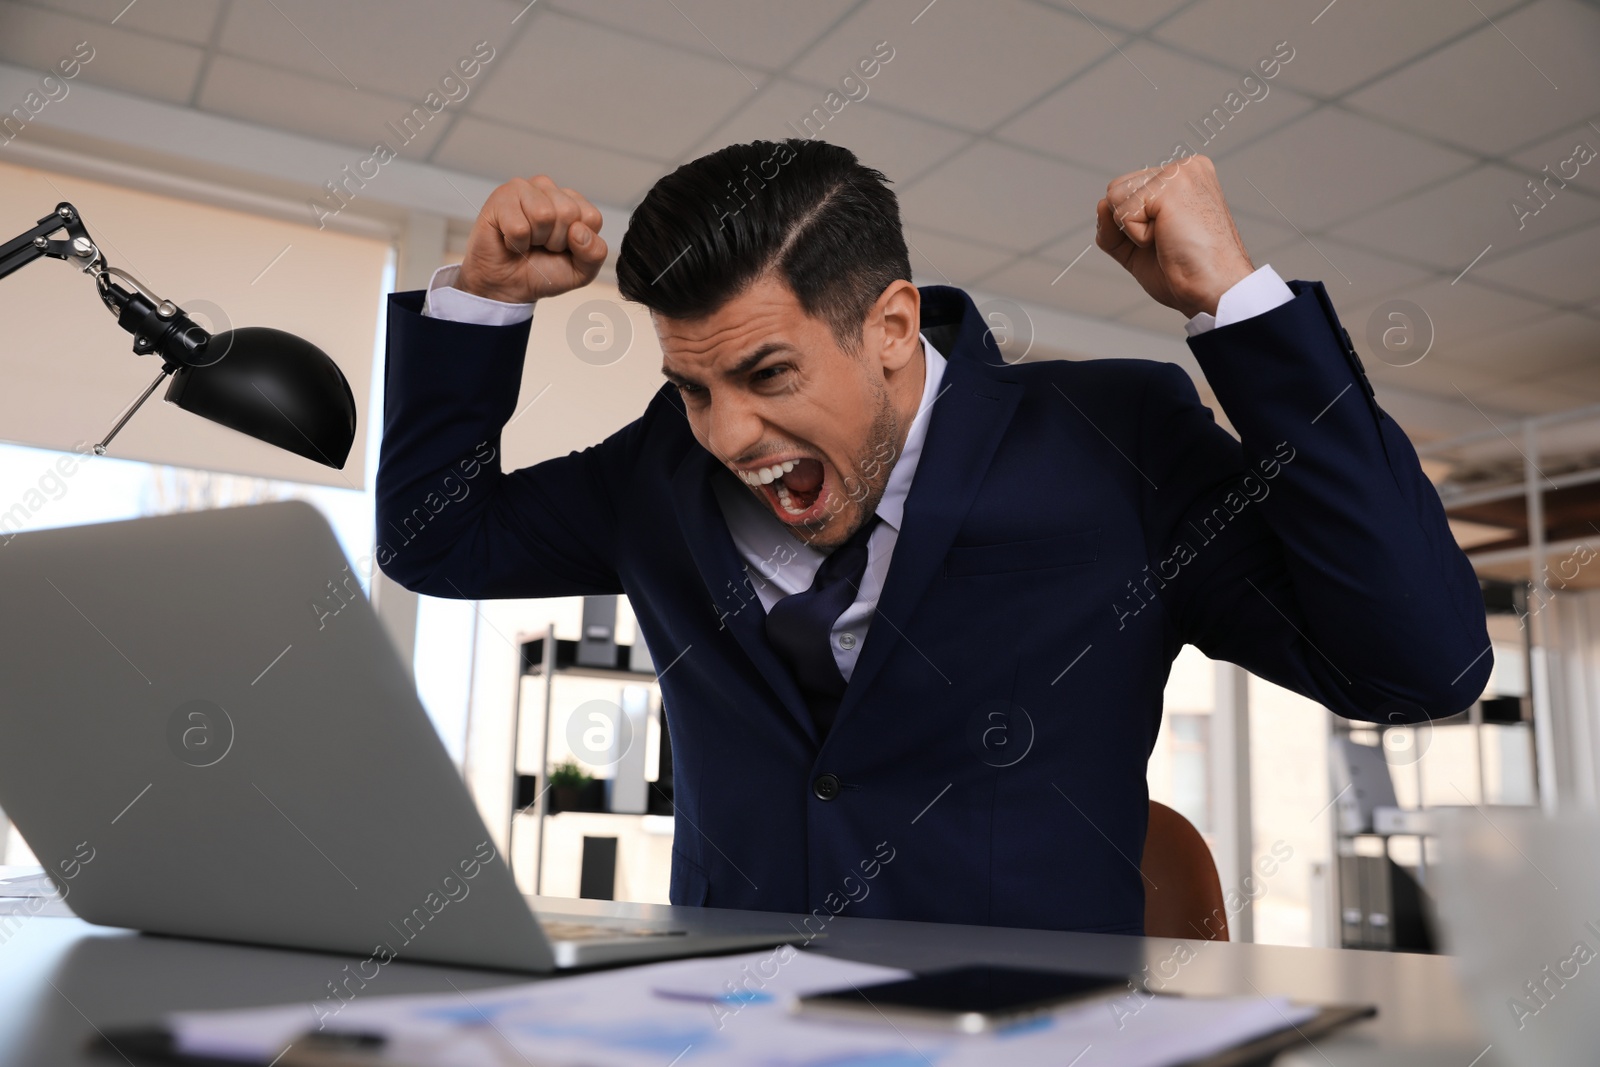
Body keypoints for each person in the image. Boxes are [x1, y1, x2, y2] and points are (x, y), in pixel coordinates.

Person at [376, 139, 1489, 935]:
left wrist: (1238, 308)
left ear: (893, 326)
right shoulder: (658, 467)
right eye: (693, 385)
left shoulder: (1115, 440)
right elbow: (436, 543)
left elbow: (1420, 662)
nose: (725, 433)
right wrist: (483, 303)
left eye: (767, 375)